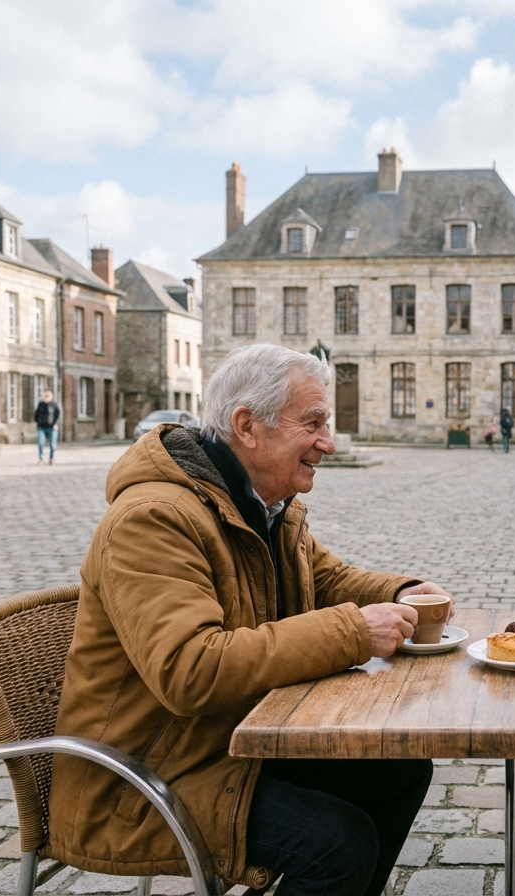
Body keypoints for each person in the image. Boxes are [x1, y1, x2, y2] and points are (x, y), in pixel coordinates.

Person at [49, 344, 450, 896]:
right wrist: (356, 632)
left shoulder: (262, 503)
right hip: (143, 778)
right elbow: (190, 669)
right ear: (247, 427)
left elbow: (326, 580)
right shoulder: (153, 518)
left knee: (400, 769)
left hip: (229, 744)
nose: (328, 442)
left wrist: (401, 592)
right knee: (339, 844)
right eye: (313, 423)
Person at [34, 389, 60, 466]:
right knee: (41, 443)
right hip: (41, 428)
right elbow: (36, 415)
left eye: (48, 395)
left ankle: (51, 458)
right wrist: (38, 423)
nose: (47, 397)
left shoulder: (54, 405)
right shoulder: (41, 404)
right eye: (45, 395)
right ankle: (40, 458)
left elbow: (58, 415)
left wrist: (56, 424)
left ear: (52, 396)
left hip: (52, 428)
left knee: (53, 445)